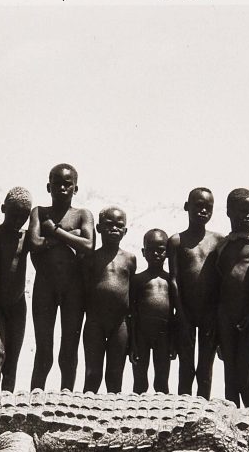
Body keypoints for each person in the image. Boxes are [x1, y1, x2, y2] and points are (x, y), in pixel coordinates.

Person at [28, 163, 94, 390]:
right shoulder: (39, 212)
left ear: (76, 188)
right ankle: (35, 398)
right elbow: (34, 243)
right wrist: (71, 236)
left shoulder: (83, 214)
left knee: (69, 349)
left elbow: (88, 245)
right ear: (49, 187)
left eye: (68, 184)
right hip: (44, 287)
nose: (62, 188)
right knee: (43, 350)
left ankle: (67, 398)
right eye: (57, 184)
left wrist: (54, 231)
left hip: (73, 288)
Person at [168, 187, 223, 398]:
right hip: (186, 312)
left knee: (205, 369)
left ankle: (203, 411)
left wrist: (216, 315)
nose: (203, 211)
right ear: (186, 207)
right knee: (186, 368)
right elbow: (174, 280)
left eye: (208, 207)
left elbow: (220, 280)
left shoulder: (218, 241)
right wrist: (181, 315)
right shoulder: (176, 241)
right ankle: (184, 412)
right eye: (198, 206)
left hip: (209, 313)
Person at [215, 188, 249, 407]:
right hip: (226, 317)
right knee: (230, 378)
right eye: (243, 211)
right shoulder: (223, 245)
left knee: (244, 377)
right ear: (229, 212)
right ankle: (232, 422)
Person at [81, 207, 136, 393]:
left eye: (119, 226)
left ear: (125, 231)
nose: (114, 228)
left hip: (119, 323)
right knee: (92, 374)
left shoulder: (130, 259)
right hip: (95, 322)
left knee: (115, 376)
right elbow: (85, 290)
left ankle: (114, 411)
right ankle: (86, 408)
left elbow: (131, 293)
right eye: (109, 224)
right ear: (98, 228)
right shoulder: (91, 257)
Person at [0, 188, 33, 393]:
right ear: (3, 209)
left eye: (24, 216)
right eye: (13, 214)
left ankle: (5, 404)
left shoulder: (27, 237)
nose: (18, 220)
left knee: (12, 361)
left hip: (17, 304)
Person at [129, 229, 179, 393]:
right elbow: (132, 313)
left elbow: (174, 313)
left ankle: (163, 410)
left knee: (162, 382)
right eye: (151, 250)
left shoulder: (170, 280)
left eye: (160, 250)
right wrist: (133, 343)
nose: (156, 253)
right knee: (140, 382)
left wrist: (173, 342)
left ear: (168, 253)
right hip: (141, 335)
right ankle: (136, 410)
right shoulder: (137, 280)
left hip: (164, 335)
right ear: (143, 252)